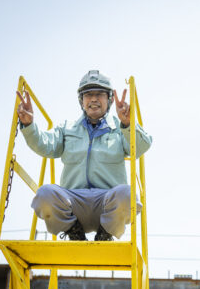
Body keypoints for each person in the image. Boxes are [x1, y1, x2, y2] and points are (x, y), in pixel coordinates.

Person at [17, 70, 152, 241]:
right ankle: (74, 232)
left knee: (128, 194)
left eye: (100, 94)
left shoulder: (120, 127)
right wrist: (28, 125)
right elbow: (45, 145)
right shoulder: (67, 128)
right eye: (88, 94)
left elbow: (140, 147)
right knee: (44, 193)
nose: (94, 99)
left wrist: (128, 123)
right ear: (81, 101)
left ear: (110, 100)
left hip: (107, 203)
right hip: (72, 203)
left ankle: (105, 233)